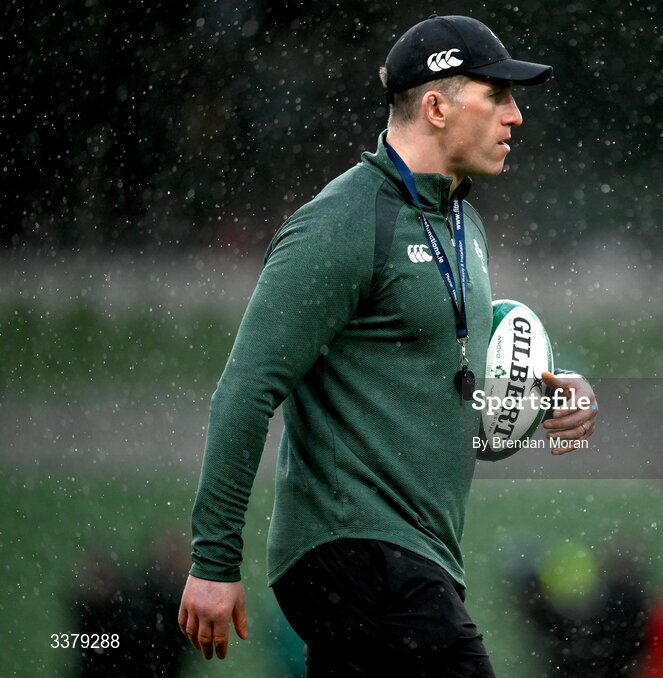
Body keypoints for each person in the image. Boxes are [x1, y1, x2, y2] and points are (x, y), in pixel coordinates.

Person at [178, 15, 599, 677]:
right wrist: (212, 563)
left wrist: (547, 392)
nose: (515, 117)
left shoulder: (462, 221)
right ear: (434, 106)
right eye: (497, 97)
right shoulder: (341, 222)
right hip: (357, 548)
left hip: (416, 558)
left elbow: (456, 363)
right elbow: (245, 389)